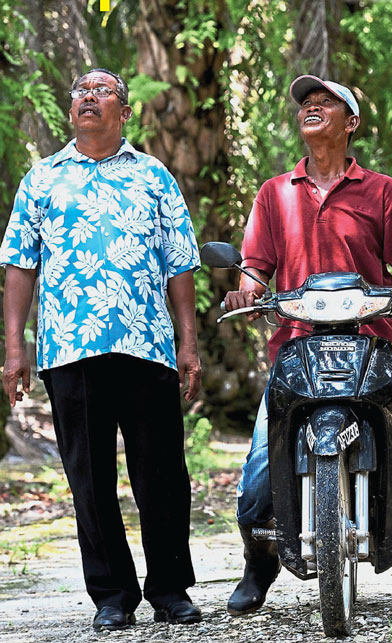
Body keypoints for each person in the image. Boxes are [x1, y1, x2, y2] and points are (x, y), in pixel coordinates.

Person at [223, 75, 392, 615]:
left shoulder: (382, 191)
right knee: (254, 485)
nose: (312, 108)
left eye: (326, 102)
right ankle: (257, 570)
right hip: (296, 349)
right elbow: (254, 264)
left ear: (352, 123)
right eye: (306, 103)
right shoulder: (275, 193)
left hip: (373, 347)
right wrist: (247, 285)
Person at [1, 69, 203, 631]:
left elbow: (180, 264)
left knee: (162, 474)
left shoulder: (154, 176)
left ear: (125, 112)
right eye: (80, 91)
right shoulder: (43, 179)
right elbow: (20, 263)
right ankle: (112, 595)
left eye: (103, 90)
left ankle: (170, 589)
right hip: (70, 347)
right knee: (88, 477)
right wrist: (14, 346)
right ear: (71, 110)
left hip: (147, 343)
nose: (88, 97)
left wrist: (188, 343)